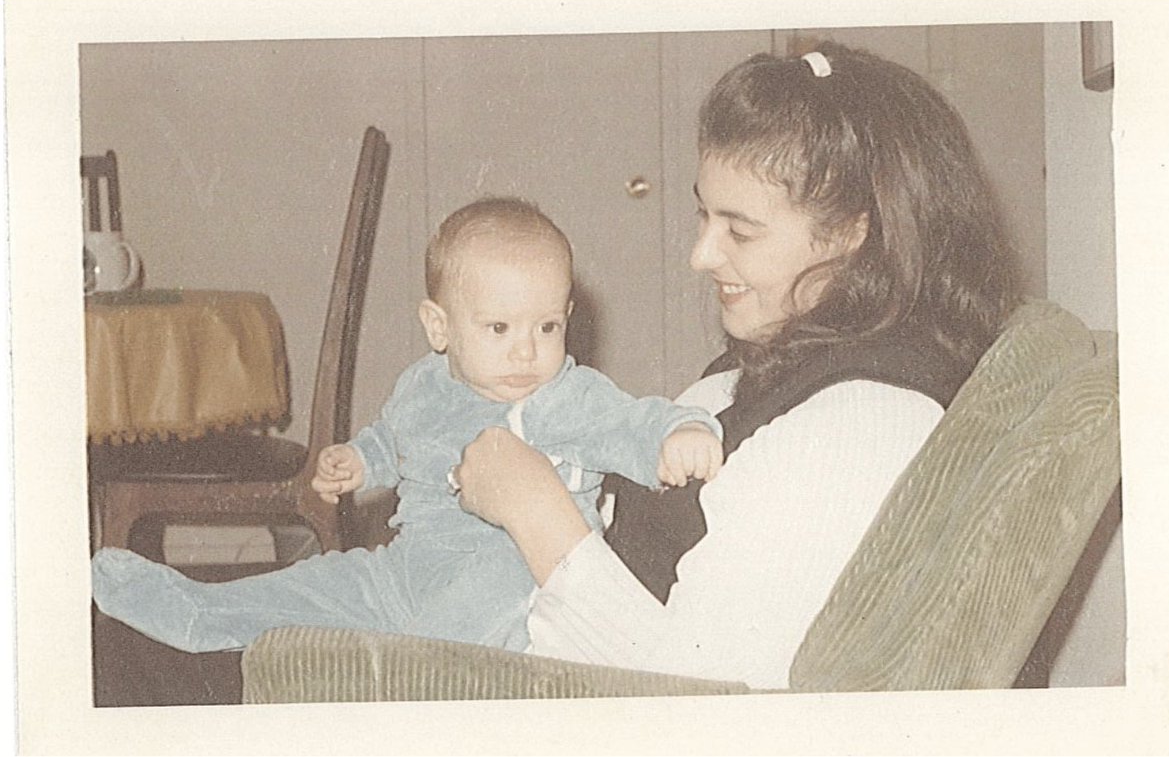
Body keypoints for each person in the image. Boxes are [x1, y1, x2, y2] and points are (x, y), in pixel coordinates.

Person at [453, 43, 1022, 689]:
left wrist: (533, 509)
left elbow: (704, 699)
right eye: (704, 213)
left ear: (850, 233)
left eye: (740, 230)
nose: (701, 255)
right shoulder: (794, 348)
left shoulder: (856, 427)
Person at [91, 197, 723, 654]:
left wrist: (680, 433)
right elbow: (394, 439)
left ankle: (422, 688)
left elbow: (632, 421)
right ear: (439, 326)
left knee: (457, 626)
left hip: (506, 578)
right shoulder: (423, 384)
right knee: (318, 582)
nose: (527, 352)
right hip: (407, 568)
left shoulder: (564, 396)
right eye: (499, 329)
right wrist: (361, 461)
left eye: (547, 327)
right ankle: (201, 610)